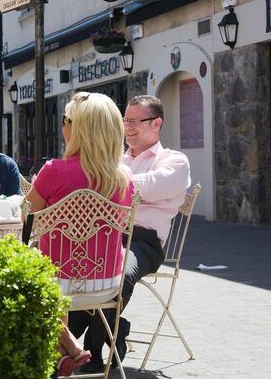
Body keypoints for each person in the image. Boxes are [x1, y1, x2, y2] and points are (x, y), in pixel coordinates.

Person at [74, 94, 191, 374]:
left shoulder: (174, 160)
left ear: (156, 123)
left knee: (120, 273)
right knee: (71, 268)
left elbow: (154, 185)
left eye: (135, 121)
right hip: (106, 235)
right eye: (125, 120)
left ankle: (92, 349)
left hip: (143, 242)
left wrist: (110, 184)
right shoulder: (116, 159)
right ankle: (105, 331)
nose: (127, 127)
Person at [26, 91, 134, 376]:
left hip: (59, 283)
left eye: (65, 120)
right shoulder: (125, 178)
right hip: (107, 283)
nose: (62, 125)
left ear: (78, 129)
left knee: (31, 274)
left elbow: (26, 219)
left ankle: (66, 347)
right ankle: (64, 353)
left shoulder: (54, 171)